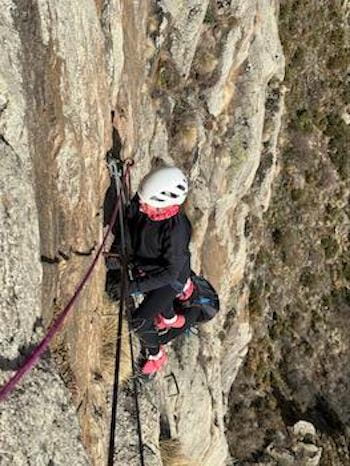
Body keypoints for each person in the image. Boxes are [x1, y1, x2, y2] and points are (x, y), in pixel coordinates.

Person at [105, 166, 192, 375]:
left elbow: (169, 273)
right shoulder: (147, 202)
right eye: (142, 200)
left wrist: (131, 287)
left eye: (147, 204)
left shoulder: (176, 233)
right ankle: (169, 319)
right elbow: (132, 215)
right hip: (148, 265)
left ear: (164, 207)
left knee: (141, 319)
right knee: (157, 302)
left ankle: (156, 355)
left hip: (170, 279)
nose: (142, 206)